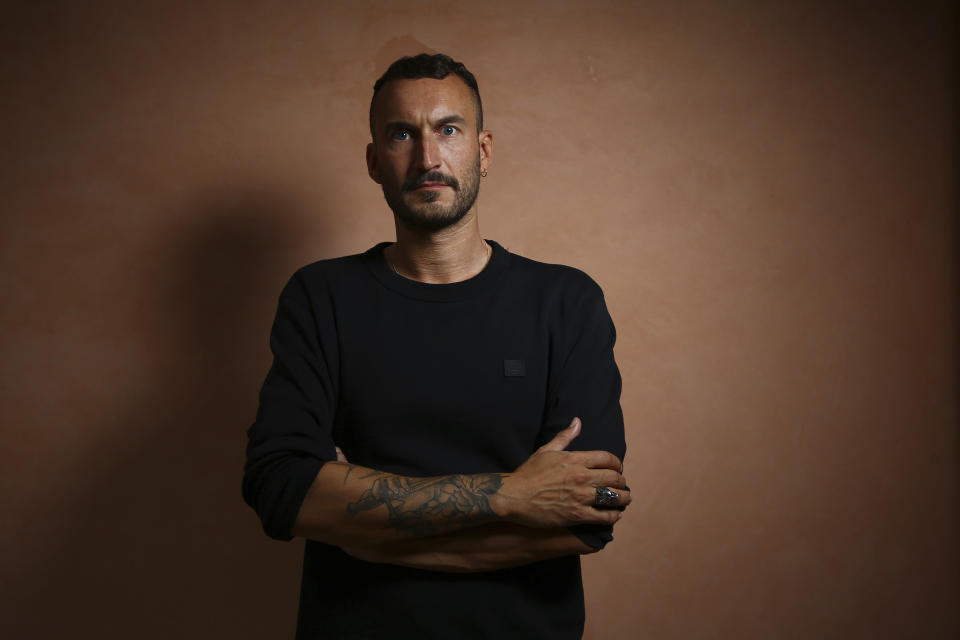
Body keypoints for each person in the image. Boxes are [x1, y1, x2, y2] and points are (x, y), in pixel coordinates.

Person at [243, 53, 629, 639]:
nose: (428, 158)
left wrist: (367, 540)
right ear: (375, 161)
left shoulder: (566, 301)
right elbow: (280, 487)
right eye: (402, 134)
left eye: (448, 130)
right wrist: (509, 495)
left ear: (483, 150)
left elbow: (593, 508)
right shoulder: (321, 297)